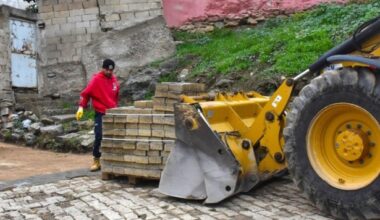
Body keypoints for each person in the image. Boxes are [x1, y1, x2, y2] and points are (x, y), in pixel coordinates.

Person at [76, 59, 120, 172]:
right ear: (103, 68)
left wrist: (117, 108)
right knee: (99, 135)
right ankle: (96, 160)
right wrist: (81, 107)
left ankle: (113, 160)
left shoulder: (114, 80)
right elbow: (85, 94)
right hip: (100, 112)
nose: (109, 72)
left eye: (111, 70)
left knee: (114, 136)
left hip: (113, 112)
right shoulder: (96, 80)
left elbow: (116, 96)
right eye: (107, 70)